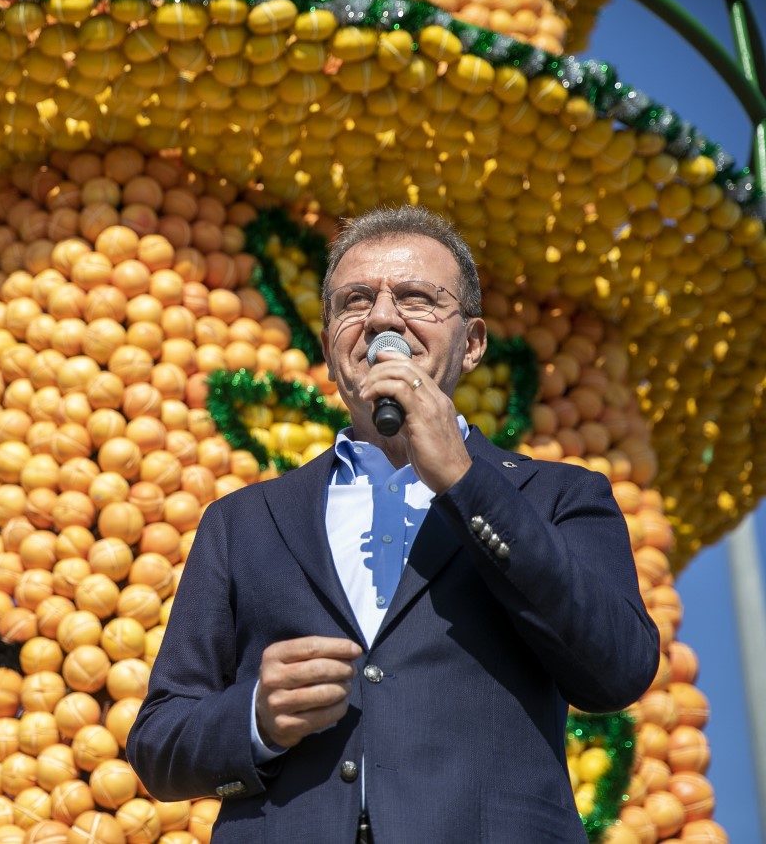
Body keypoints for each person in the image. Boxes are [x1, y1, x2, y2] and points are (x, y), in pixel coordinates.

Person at [127, 206, 659, 843]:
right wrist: (257, 718)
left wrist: (466, 480)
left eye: (416, 298)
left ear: (473, 343)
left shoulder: (557, 496)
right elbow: (158, 743)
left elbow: (618, 667)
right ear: (328, 348)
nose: (382, 318)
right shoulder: (243, 521)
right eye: (355, 301)